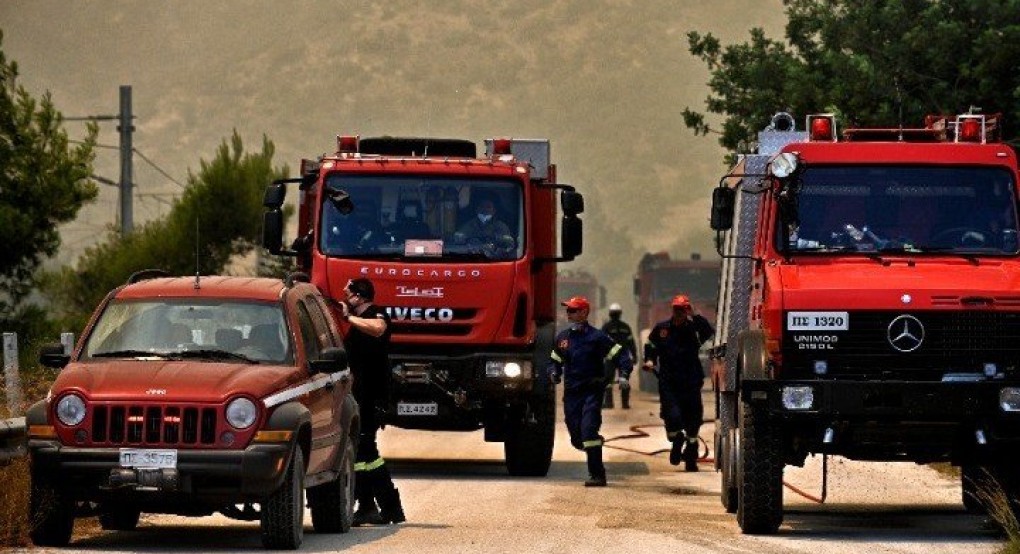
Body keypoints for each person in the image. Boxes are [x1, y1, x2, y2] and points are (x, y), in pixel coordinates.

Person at [339, 278, 406, 525]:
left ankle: (389, 508)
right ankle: (369, 506)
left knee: (367, 450)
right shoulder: (357, 325)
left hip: (372, 397)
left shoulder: (377, 314)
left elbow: (378, 328)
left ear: (359, 296)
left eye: (348, 293)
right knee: (362, 453)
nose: (345, 297)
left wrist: (348, 318)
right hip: (358, 395)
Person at [548, 296, 632, 487]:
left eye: (573, 310)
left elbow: (620, 355)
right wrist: (553, 372)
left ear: (584, 313)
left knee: (588, 431)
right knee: (577, 439)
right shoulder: (563, 338)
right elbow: (554, 361)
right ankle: (592, 443)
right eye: (568, 310)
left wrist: (624, 374)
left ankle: (597, 475)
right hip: (571, 394)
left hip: (592, 393)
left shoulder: (597, 337)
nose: (568, 313)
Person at [643, 294, 714, 472]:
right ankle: (676, 441)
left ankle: (691, 457)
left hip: (691, 380)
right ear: (672, 309)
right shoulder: (662, 329)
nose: (679, 313)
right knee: (671, 416)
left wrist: (695, 315)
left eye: (683, 309)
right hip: (669, 381)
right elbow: (651, 346)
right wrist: (650, 361)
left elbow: (709, 332)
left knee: (693, 420)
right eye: (677, 309)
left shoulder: (694, 329)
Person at [601, 303, 637, 409]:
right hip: (623, 358)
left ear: (610, 314)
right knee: (624, 379)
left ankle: (609, 403)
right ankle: (625, 404)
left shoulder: (606, 327)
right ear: (620, 314)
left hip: (610, 358)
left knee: (608, 381)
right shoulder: (625, 327)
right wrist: (634, 356)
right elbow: (631, 343)